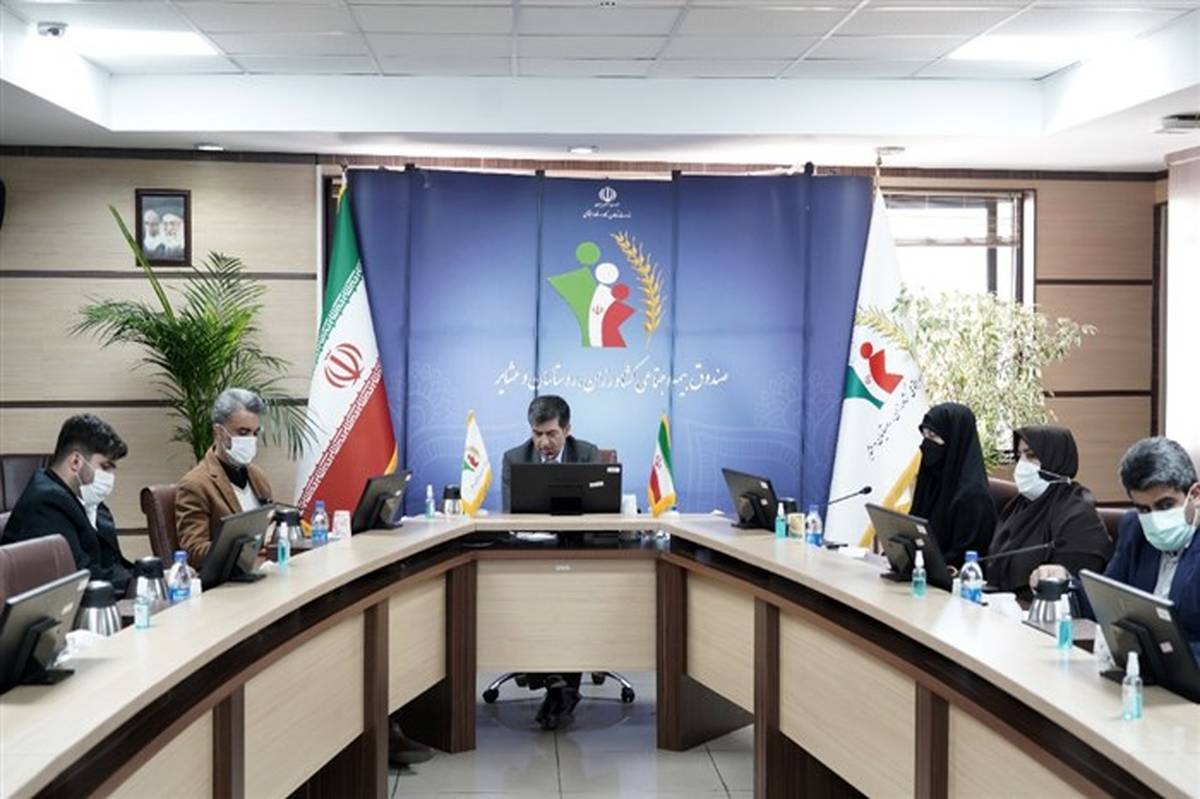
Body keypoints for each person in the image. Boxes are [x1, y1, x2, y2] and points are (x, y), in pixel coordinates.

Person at [1032, 437, 1200, 659]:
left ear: (1195, 495)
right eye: (1144, 509)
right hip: (1135, 667)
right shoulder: (1135, 529)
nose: (1155, 519)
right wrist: (1063, 581)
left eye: (1165, 505)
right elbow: (1104, 604)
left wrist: (1162, 656)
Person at [500, 394, 599, 729]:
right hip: (532, 552)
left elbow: (599, 508)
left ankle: (560, 687)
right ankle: (558, 686)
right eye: (537, 433)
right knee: (531, 603)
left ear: (567, 429)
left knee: (571, 605)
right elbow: (511, 512)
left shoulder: (587, 454)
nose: (544, 442)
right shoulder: (514, 458)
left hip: (576, 551)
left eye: (551, 433)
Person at [2, 414, 133, 592]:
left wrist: (151, 574)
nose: (110, 477)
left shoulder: (89, 500)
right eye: (105, 466)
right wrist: (138, 581)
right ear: (76, 462)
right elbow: (81, 578)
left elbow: (114, 564)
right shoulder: (46, 504)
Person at [986, 426, 1111, 601]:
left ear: (1056, 460)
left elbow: (1075, 589)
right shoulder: (1018, 506)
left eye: (1031, 456)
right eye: (1019, 456)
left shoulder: (1078, 516)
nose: (1021, 465)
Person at [176, 388, 273, 570]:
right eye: (243, 432)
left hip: (262, 571)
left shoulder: (258, 476)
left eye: (255, 433)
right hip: (225, 582)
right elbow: (194, 552)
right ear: (219, 431)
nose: (251, 440)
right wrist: (246, 547)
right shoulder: (195, 484)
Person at [910, 402, 996, 568]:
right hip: (921, 572)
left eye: (933, 436)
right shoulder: (931, 479)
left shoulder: (974, 498)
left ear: (955, 439)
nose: (926, 444)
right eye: (925, 435)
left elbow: (962, 560)